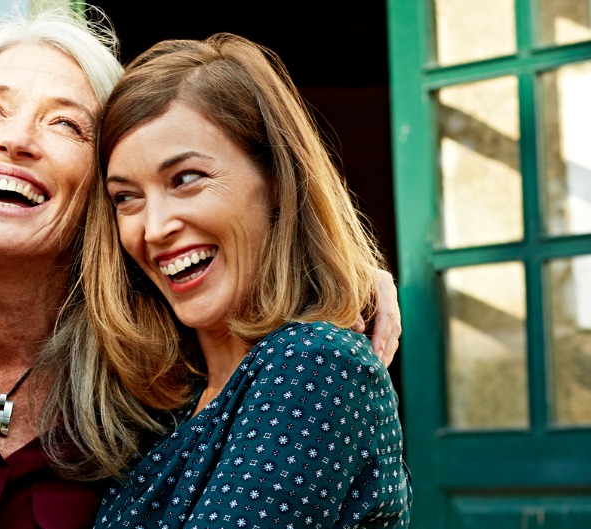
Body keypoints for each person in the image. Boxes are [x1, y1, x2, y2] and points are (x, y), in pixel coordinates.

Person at [0, 11, 403, 529]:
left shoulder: (255, 369)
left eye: (65, 124)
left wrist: (341, 282)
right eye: (128, 196)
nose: (157, 225)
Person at [84, 34, 411, 528]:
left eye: (186, 178)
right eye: (126, 198)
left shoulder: (315, 364)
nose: (153, 228)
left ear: (276, 178)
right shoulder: (164, 407)